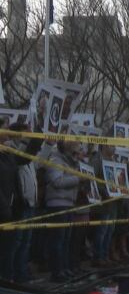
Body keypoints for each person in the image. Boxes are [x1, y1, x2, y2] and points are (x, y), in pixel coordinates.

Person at [0, 120, 42, 283]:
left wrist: (38, 134)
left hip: (11, 209)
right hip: (4, 209)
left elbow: (25, 158)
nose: (7, 131)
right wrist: (4, 207)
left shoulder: (7, 152)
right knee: (9, 247)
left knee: (10, 245)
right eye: (4, 128)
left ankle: (10, 277)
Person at [45, 141, 87, 282]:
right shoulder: (55, 159)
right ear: (67, 146)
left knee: (66, 240)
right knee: (58, 240)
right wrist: (77, 179)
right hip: (58, 204)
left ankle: (64, 268)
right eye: (76, 146)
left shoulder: (70, 162)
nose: (79, 149)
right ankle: (57, 272)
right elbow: (57, 181)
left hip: (69, 203)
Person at [90, 144, 118, 267]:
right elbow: (93, 179)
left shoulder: (113, 161)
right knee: (101, 231)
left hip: (113, 202)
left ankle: (105, 255)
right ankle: (98, 257)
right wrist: (105, 192)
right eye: (111, 145)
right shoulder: (97, 160)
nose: (114, 148)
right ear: (104, 146)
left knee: (110, 231)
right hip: (103, 201)